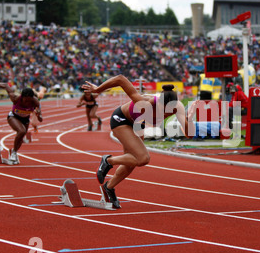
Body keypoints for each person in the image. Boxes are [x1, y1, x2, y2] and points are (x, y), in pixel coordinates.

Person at [81, 75, 197, 209]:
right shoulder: (145, 102)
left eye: (169, 113)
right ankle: (108, 161)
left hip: (138, 125)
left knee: (131, 162)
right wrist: (98, 89)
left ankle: (109, 187)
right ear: (158, 103)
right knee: (143, 158)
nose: (165, 115)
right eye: (163, 111)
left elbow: (189, 134)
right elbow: (120, 79)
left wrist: (189, 118)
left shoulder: (178, 107)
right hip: (122, 120)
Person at [0, 83, 42, 164]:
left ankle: (14, 152)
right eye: (25, 100)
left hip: (25, 119)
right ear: (22, 96)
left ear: (32, 98)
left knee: (21, 137)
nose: (27, 102)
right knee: (22, 131)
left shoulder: (35, 102)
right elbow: (6, 86)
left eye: (29, 100)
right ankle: (13, 153)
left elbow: (41, 119)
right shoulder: (15, 98)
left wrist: (38, 115)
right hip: (13, 117)